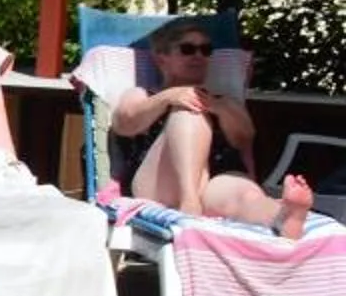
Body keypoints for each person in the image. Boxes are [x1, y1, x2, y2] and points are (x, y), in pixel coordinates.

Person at [110, 18, 314, 239]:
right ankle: (188, 203)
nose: (198, 56)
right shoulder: (142, 95)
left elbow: (244, 138)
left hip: (214, 183)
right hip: (157, 185)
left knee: (245, 195)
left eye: (206, 50)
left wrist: (217, 106)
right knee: (190, 110)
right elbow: (125, 124)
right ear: (161, 58)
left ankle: (282, 217)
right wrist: (169, 98)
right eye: (187, 49)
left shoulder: (224, 102)